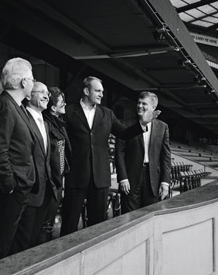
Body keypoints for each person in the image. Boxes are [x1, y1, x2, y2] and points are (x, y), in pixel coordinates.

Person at [60, 76, 159, 236]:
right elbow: (61, 143)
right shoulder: (69, 112)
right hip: (76, 177)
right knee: (69, 225)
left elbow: (124, 133)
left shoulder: (107, 113)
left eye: (102, 91)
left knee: (97, 227)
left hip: (100, 178)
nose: (101, 94)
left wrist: (142, 124)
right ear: (86, 91)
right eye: (97, 91)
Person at [0, 57, 36, 264]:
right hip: (7, 192)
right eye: (31, 79)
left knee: (7, 246)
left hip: (17, 189)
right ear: (23, 82)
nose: (33, 82)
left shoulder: (16, 106)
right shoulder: (4, 106)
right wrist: (10, 185)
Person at [10, 82, 57, 252]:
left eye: (48, 94)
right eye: (42, 92)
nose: (46, 96)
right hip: (28, 192)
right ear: (29, 95)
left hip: (44, 192)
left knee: (33, 243)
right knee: (22, 244)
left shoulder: (45, 123)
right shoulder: (23, 119)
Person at [115, 92, 171, 214]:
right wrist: (123, 178)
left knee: (150, 216)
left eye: (144, 103)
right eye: (138, 102)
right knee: (129, 218)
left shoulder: (163, 127)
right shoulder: (125, 124)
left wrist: (165, 182)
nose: (140, 106)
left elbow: (165, 156)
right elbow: (119, 152)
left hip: (153, 179)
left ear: (153, 107)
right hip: (130, 178)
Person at [40, 87, 71, 242]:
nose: (65, 104)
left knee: (49, 223)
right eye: (61, 102)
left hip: (57, 181)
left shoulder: (59, 125)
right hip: (50, 183)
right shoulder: (46, 124)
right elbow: (51, 156)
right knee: (45, 225)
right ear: (53, 107)